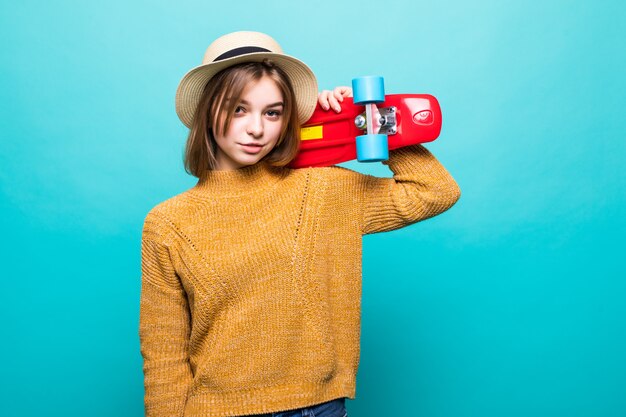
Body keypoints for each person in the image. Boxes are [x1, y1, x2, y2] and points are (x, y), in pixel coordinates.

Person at [139, 31, 461, 417]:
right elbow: (163, 352)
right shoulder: (167, 222)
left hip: (316, 407)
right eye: (238, 109)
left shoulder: (323, 189)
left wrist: (363, 120)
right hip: (216, 411)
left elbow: (435, 191)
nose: (257, 128)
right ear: (208, 111)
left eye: (272, 112)